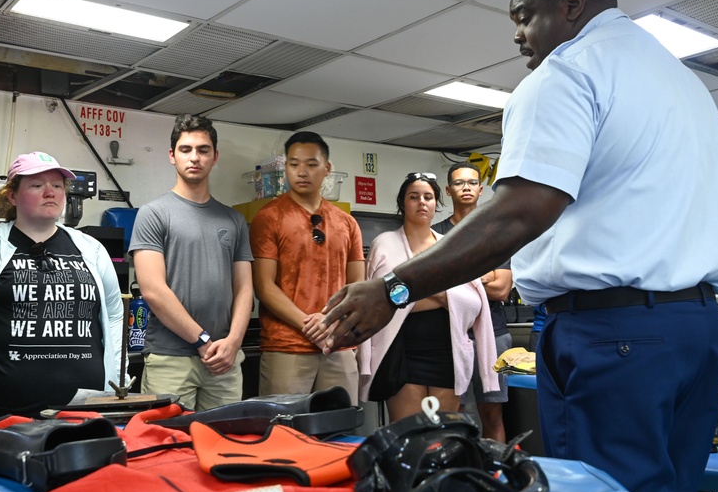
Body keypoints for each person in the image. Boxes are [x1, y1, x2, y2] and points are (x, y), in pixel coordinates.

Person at [315, 0, 718, 492]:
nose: (517, 35)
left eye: (523, 15)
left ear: (571, 5)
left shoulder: (568, 71)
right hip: (695, 330)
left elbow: (518, 213)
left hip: (614, 339)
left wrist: (394, 287)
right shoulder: (682, 81)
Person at [0, 152, 125, 429]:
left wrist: (114, 377)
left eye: (57, 184)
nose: (50, 192)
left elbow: (113, 315)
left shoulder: (91, 249)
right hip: (0, 414)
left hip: (82, 413)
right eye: (36, 185)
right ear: (12, 196)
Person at [129, 114, 253, 411]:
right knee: (167, 447)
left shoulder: (234, 219)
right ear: (172, 156)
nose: (194, 157)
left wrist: (233, 342)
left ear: (215, 157)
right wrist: (203, 341)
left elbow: (245, 288)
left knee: (223, 445)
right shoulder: (153, 214)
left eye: (203, 150)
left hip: (224, 361)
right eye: (185, 149)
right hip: (171, 360)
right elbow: (153, 290)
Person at [359, 172, 498, 422]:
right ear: (403, 203)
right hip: (401, 353)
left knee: (442, 436)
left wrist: (410, 289)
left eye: (428, 197)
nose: (422, 202)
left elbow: (472, 305)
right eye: (414, 197)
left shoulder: (452, 246)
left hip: (447, 353)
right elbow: (378, 300)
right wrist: (444, 293)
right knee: (407, 434)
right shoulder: (385, 244)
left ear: (436, 204)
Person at [249, 131, 364, 400]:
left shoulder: (347, 222)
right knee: (285, 431)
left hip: (338, 345)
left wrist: (331, 323)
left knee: (339, 429)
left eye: (311, 164)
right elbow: (264, 286)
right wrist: (309, 324)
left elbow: (358, 286)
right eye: (294, 164)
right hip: (285, 348)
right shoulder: (268, 218)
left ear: (327, 169)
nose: (302, 172)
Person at [433, 161, 512, 441]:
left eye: (471, 182)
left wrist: (458, 280)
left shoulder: (496, 232)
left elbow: (502, 289)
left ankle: (496, 475)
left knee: (492, 413)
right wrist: (484, 275)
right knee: (455, 413)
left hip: (495, 334)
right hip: (450, 334)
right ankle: (460, 476)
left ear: (480, 189)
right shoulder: (435, 235)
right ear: (448, 190)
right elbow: (433, 285)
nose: (465, 187)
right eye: (458, 183)